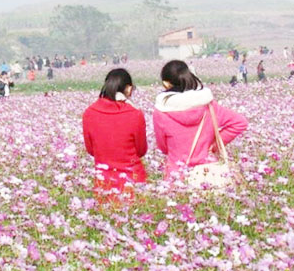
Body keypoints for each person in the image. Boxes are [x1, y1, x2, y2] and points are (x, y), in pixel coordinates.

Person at [153, 60, 247, 181]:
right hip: (208, 173)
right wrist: (213, 145)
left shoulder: (161, 110)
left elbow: (163, 147)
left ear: (166, 83)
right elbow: (240, 123)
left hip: (177, 175)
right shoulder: (208, 105)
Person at [82, 68, 148, 205]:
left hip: (104, 181)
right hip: (133, 180)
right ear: (128, 89)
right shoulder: (135, 114)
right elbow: (141, 150)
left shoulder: (89, 113)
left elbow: (91, 150)